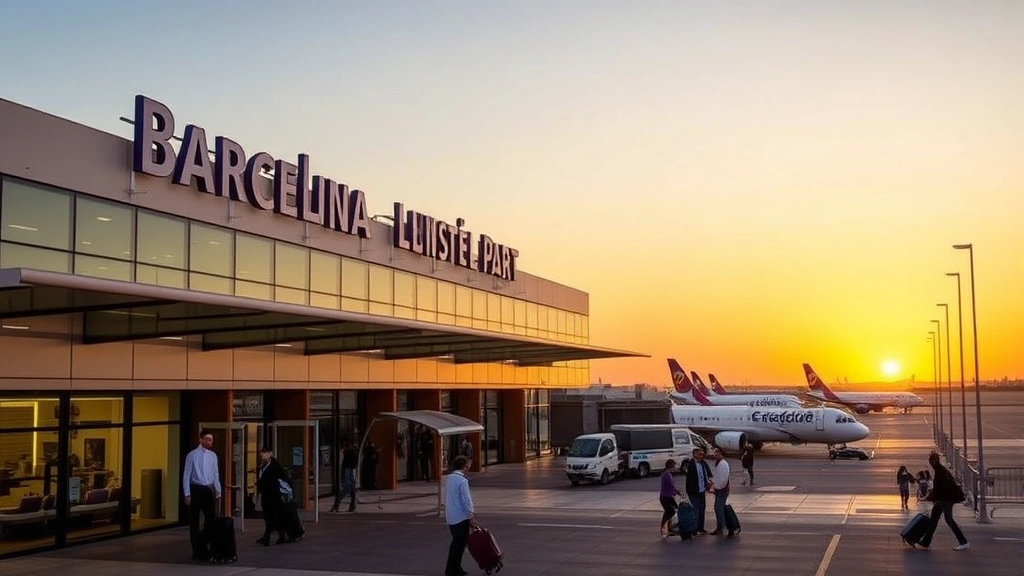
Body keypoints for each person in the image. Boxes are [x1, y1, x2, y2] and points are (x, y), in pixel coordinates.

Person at [182, 429, 222, 561]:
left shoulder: (213, 456)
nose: (210, 442)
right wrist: (187, 493)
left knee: (210, 519)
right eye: (207, 439)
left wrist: (218, 490)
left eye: (211, 440)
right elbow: (187, 475)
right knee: (194, 521)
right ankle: (196, 550)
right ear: (201, 439)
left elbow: (215, 473)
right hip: (196, 488)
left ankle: (204, 545)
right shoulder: (192, 455)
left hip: (208, 488)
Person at [918, 452, 969, 551]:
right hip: (944, 498)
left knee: (948, 519)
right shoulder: (940, 470)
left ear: (933, 461)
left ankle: (963, 542)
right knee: (934, 519)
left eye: (930, 461)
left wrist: (932, 498)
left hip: (946, 499)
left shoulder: (940, 471)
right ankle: (926, 541)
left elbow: (940, 488)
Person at [444, 455, 477, 576]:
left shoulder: (449, 478)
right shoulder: (462, 481)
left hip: (450, 515)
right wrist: (471, 516)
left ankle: (453, 568)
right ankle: (453, 569)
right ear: (464, 466)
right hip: (461, 516)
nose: (469, 468)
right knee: (459, 545)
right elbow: (466, 500)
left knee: (456, 544)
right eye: (468, 465)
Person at [255, 447, 289, 546]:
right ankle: (267, 536)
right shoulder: (262, 465)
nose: (262, 455)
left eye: (264, 453)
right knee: (267, 516)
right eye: (261, 453)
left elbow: (283, 476)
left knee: (274, 516)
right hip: (265, 494)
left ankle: (277, 536)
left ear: (270, 454)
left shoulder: (275, 465)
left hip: (274, 495)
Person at [683, 447, 712, 535]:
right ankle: (694, 529)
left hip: (702, 490)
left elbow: (708, 473)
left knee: (702, 509)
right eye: (700, 454)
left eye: (703, 454)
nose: (702, 456)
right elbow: (686, 471)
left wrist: (709, 481)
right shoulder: (690, 463)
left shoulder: (702, 463)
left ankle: (700, 527)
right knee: (695, 509)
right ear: (695, 455)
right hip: (693, 490)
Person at [708, 448, 732, 536]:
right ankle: (721, 526)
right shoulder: (719, 463)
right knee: (718, 508)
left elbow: (723, 479)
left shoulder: (722, 464)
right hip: (720, 489)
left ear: (721, 453)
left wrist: (716, 487)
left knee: (719, 508)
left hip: (721, 490)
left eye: (717, 453)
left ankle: (720, 527)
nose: (715, 454)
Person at [330, 440, 358, 513]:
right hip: (349, 470)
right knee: (351, 488)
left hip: (347, 470)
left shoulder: (348, 453)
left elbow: (346, 465)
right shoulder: (351, 453)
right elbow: (354, 462)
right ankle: (351, 504)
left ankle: (337, 503)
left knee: (348, 488)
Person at [659, 459, 683, 537]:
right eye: (674, 466)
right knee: (670, 511)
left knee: (674, 510)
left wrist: (675, 492)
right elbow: (671, 486)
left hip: (668, 496)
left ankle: (670, 528)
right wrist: (678, 492)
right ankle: (663, 527)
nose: (675, 467)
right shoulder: (667, 475)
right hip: (665, 497)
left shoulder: (666, 474)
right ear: (671, 466)